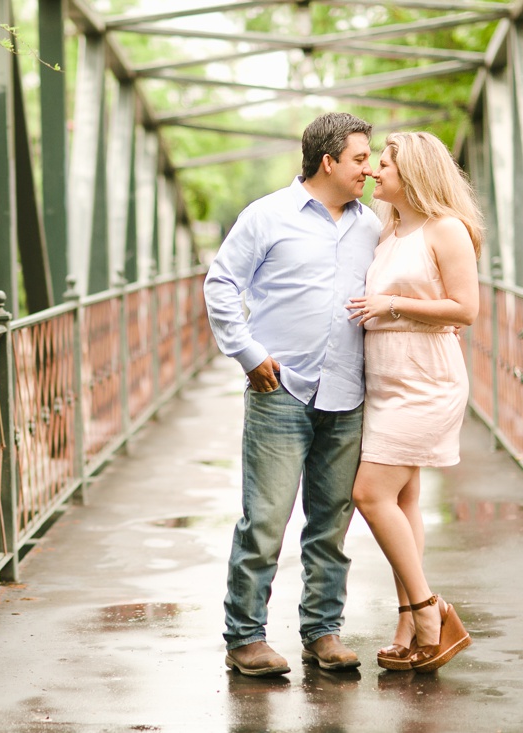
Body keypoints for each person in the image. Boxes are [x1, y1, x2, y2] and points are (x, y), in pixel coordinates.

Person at [204, 112, 380, 677]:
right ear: (328, 161)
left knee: (331, 523)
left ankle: (322, 632)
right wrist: (248, 354)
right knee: (265, 522)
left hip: (347, 391)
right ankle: (244, 638)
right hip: (281, 389)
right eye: (359, 159)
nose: (370, 169)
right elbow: (222, 283)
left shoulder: (371, 226)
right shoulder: (266, 216)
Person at [345, 131, 482, 673]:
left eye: (385, 164)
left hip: (427, 381)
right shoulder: (390, 230)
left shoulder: (445, 229)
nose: (376, 172)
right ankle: (407, 622)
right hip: (386, 380)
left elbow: (465, 309)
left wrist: (392, 303)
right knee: (402, 501)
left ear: (416, 173)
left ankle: (431, 611)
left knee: (370, 492)